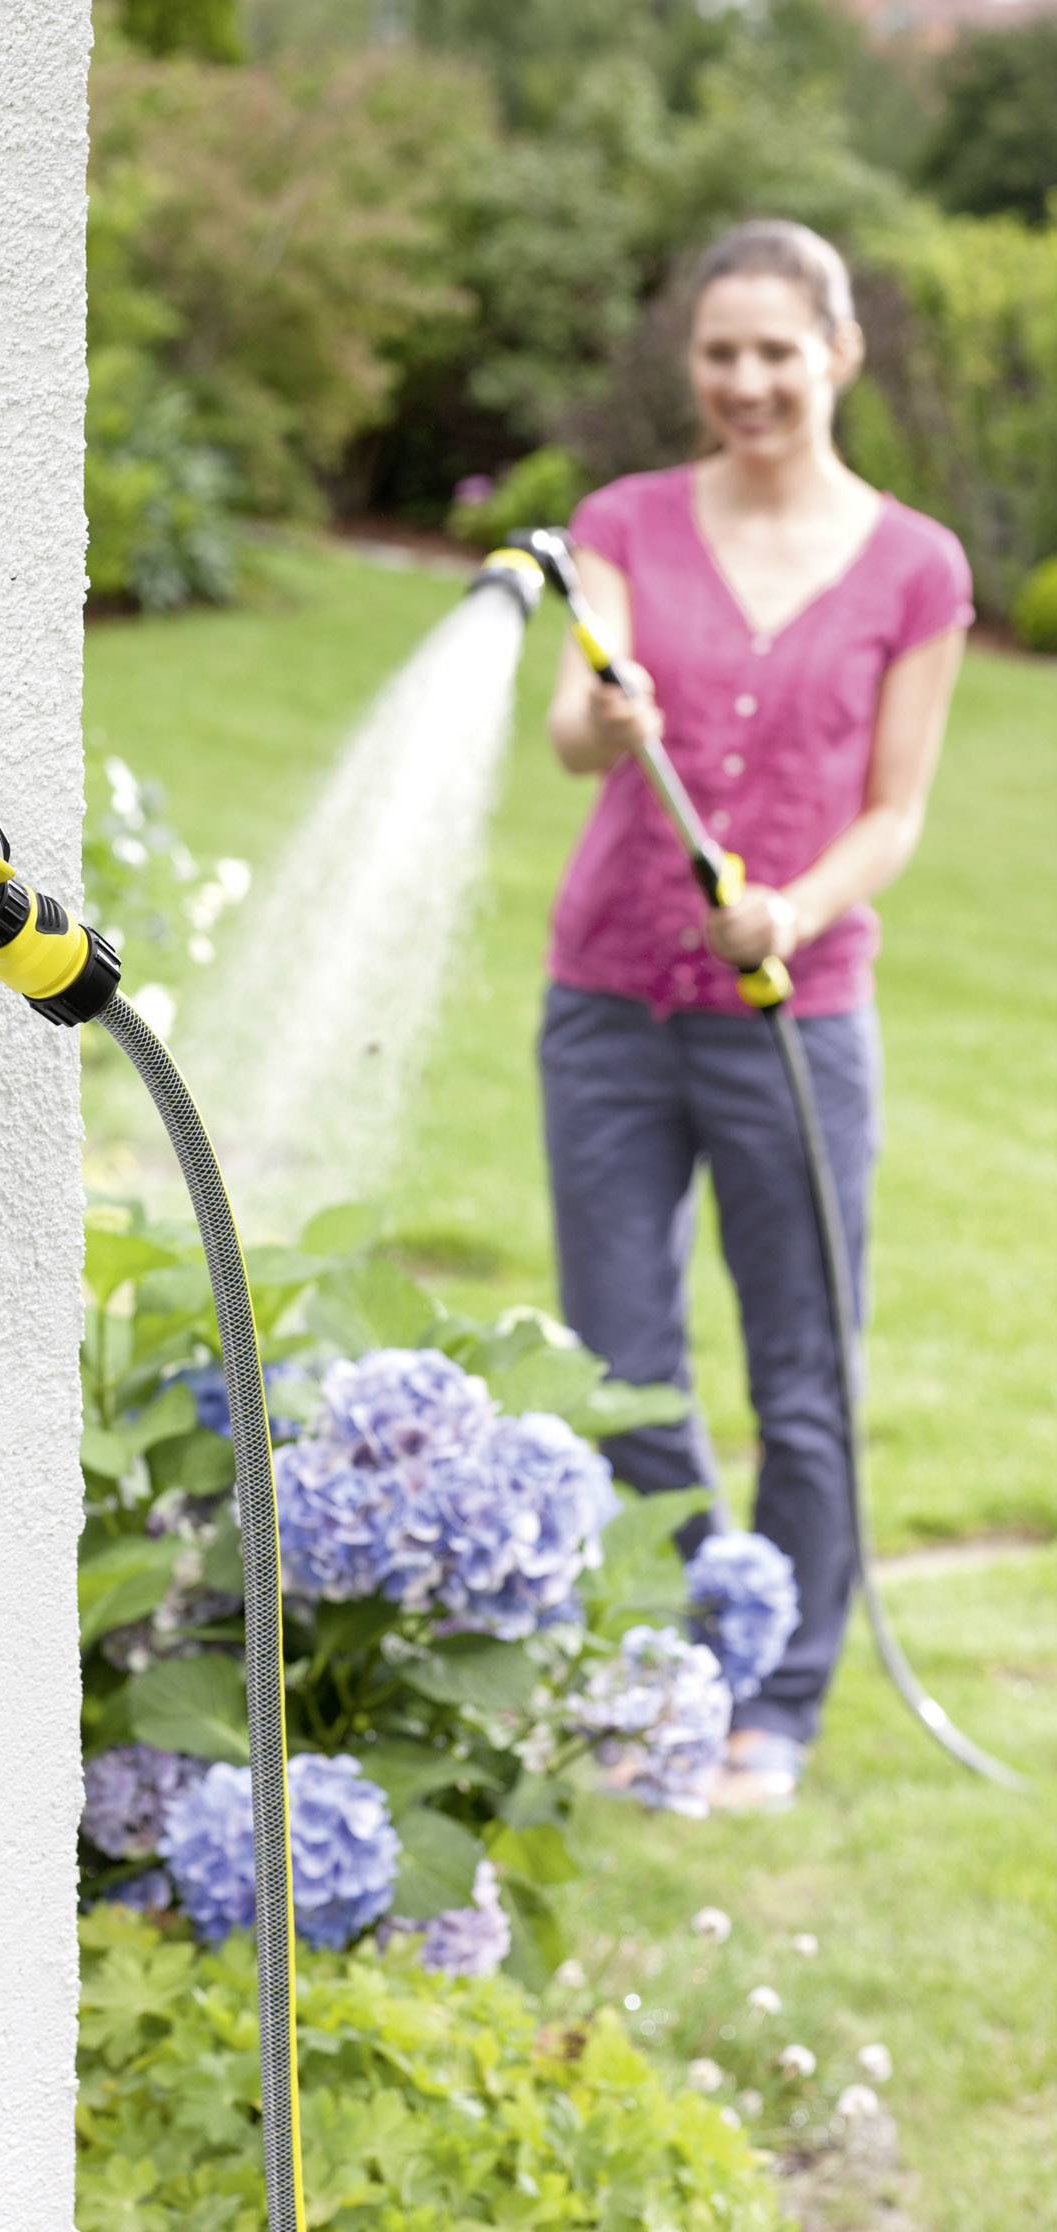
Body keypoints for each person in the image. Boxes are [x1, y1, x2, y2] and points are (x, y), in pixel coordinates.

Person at [538, 219, 973, 1809]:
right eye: (720, 352)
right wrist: (605, 715)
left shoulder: (916, 568)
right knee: (621, 1366)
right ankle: (681, 1668)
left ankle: (774, 1706)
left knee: (803, 1377)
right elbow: (574, 728)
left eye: (777, 351)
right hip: (607, 1004)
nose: (746, 381)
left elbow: (895, 811)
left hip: (797, 1014)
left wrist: (792, 909)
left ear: (837, 354)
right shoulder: (624, 523)